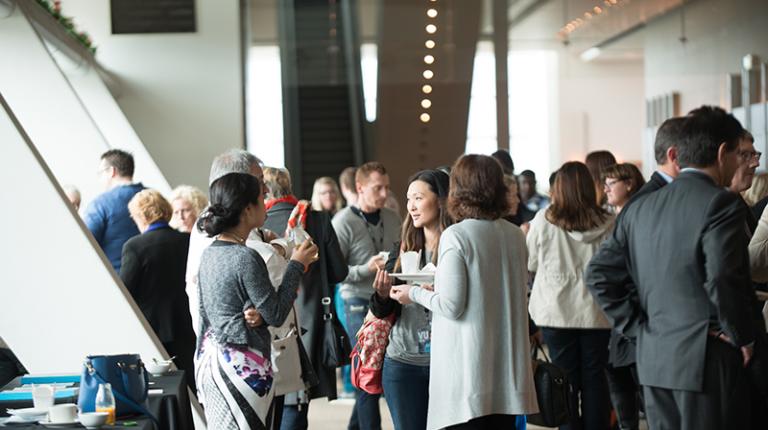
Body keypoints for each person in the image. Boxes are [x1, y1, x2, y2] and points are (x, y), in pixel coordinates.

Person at [586, 106, 757, 430]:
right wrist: (741, 336)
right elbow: (721, 277)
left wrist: (638, 328)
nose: (741, 162)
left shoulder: (641, 206)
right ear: (722, 153)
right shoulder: (721, 203)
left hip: (654, 359)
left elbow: (598, 275)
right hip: (707, 356)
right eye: (739, 154)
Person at [390, 155, 538, 430]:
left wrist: (415, 293)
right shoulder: (514, 234)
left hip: (469, 370)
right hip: (506, 370)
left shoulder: (457, 235)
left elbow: (451, 305)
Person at [195, 172, 319, 430]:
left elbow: (212, 311)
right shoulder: (245, 256)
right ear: (247, 209)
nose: (267, 203)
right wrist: (297, 264)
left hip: (211, 361)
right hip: (243, 366)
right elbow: (276, 313)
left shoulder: (209, 254)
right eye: (262, 198)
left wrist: (251, 311)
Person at [595, 116, 684, 430]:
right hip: (642, 327)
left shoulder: (641, 206)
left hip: (640, 328)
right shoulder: (644, 207)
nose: (605, 189)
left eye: (611, 184)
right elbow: (601, 273)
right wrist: (632, 322)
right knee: (641, 401)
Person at [527, 161, 615, 430]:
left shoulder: (543, 219)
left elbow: (530, 262)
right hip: (597, 312)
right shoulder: (610, 222)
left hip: (556, 312)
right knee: (595, 381)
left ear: (558, 189)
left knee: (564, 381)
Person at [261, 168, 349, 430]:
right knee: (297, 400)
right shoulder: (318, 219)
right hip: (310, 322)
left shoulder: (256, 223)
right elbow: (339, 271)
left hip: (267, 320)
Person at [369, 169, 451, 430]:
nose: (412, 206)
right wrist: (382, 294)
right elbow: (382, 309)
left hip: (447, 361)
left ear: (440, 200)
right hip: (402, 361)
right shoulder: (403, 247)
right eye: (408, 199)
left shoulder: (456, 246)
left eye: (418, 198)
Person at [332, 161, 401, 430]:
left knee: (376, 376)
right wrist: (367, 268)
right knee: (368, 376)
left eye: (386, 187)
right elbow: (336, 273)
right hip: (357, 302)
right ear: (359, 188)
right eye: (377, 188)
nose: (384, 194)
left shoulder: (393, 217)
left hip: (389, 299)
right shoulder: (343, 221)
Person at [120, 189, 197, 393]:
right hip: (187, 325)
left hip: (154, 329)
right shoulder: (187, 241)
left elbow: (126, 291)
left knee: (159, 390)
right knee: (189, 386)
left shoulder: (135, 246)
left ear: (142, 216)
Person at [83, 149, 145, 272]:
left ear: (112, 171)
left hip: (119, 279)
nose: (100, 179)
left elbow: (86, 243)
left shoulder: (100, 204)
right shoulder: (154, 197)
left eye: (100, 173)